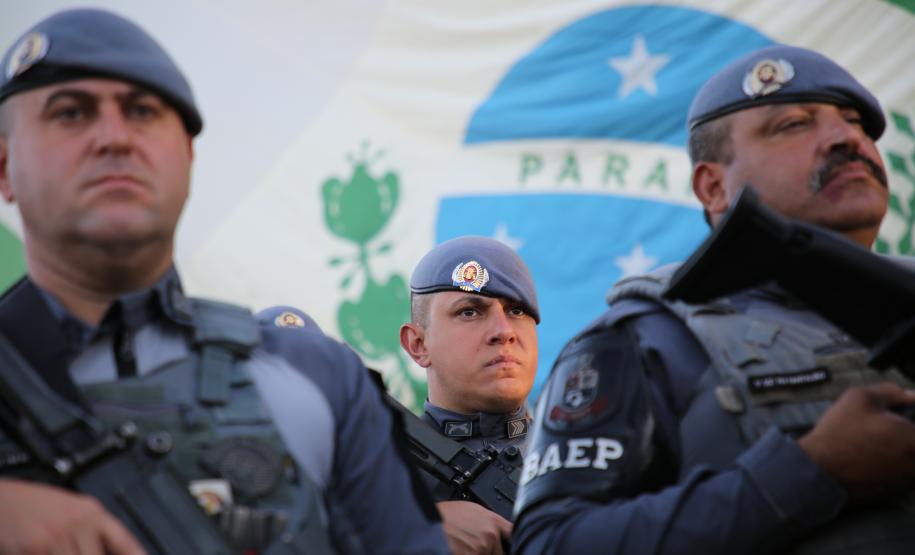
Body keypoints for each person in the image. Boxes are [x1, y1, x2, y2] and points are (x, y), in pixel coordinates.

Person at [0, 8, 446, 555]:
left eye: (142, 111)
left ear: (188, 156)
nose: (113, 138)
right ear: (4, 167)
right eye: (70, 113)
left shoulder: (318, 378)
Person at [513, 44, 915, 554]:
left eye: (855, 121)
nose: (846, 138)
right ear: (713, 187)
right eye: (794, 124)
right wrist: (809, 474)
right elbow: (551, 544)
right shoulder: (647, 341)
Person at [399, 236, 539, 555]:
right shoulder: (373, 473)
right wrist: (415, 531)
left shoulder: (589, 456)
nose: (504, 331)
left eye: (517, 310)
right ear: (418, 344)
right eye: (469, 312)